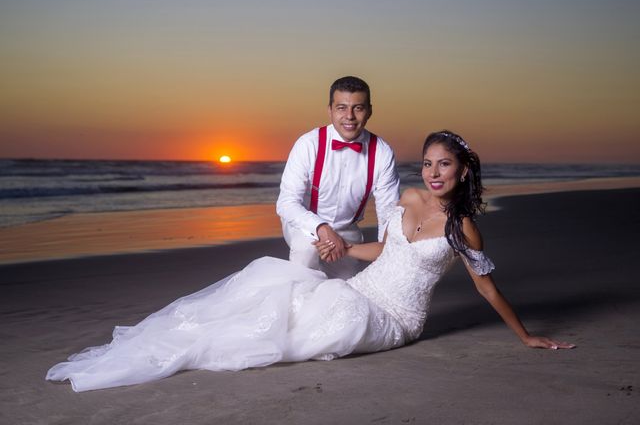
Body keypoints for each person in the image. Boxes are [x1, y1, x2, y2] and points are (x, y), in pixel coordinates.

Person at [46, 130, 574, 392]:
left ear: (462, 171)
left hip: (397, 318)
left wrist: (526, 335)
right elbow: (387, 251)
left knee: (310, 330)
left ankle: (201, 347)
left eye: (446, 165)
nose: (434, 173)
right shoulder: (408, 200)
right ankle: (184, 336)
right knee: (281, 289)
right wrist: (343, 247)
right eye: (429, 163)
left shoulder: (462, 227)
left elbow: (487, 288)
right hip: (362, 288)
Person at [276, 76, 400, 279]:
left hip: (347, 229)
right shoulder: (308, 144)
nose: (349, 116)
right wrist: (321, 228)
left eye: (358, 108)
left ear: (369, 111)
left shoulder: (382, 152)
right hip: (303, 224)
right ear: (330, 110)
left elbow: (388, 213)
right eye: (341, 108)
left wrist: (384, 259)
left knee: (345, 290)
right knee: (305, 252)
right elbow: (286, 203)